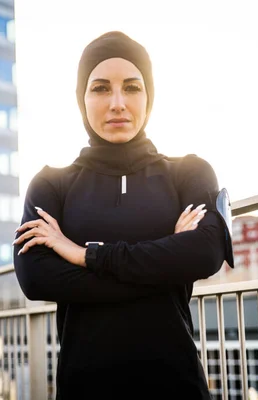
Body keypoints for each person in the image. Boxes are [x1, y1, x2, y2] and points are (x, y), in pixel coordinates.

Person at [12, 31, 234, 400]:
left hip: (175, 385)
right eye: (100, 88)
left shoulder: (188, 173)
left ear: (149, 97)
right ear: (81, 99)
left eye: (132, 87)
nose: (117, 103)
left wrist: (84, 255)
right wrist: (165, 262)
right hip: (86, 387)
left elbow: (205, 254)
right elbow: (36, 279)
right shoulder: (52, 183)